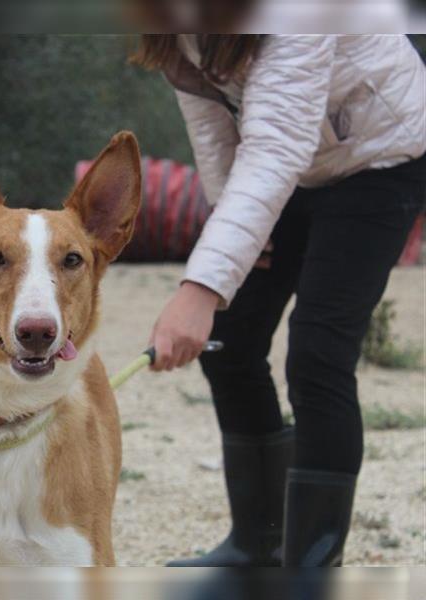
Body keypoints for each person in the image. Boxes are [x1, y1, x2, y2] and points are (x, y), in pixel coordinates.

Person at [135, 34, 426, 566]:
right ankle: (258, 541)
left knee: (316, 355)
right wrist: (227, 209)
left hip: (379, 159)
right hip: (290, 164)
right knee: (231, 337)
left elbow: (275, 147)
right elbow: (212, 124)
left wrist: (201, 287)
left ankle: (310, 567)